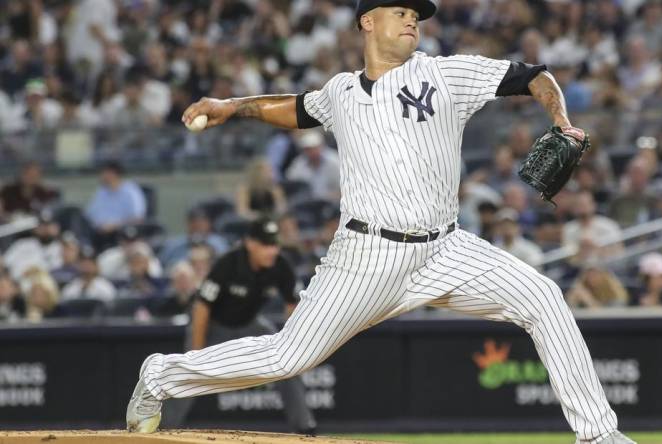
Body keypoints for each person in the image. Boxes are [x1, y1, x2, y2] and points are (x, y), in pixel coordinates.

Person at [127, 2, 634, 443]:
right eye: (401, 13)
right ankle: (161, 375)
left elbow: (534, 75)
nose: (412, 21)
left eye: (416, 16)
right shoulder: (340, 92)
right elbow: (293, 108)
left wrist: (561, 120)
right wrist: (231, 106)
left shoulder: (443, 74)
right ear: (368, 22)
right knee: (287, 358)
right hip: (367, 257)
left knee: (542, 297)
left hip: (446, 250)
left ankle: (598, 434)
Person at [157, 217, 316, 435]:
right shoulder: (229, 264)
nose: (271, 250)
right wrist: (197, 350)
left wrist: (295, 343)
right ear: (250, 243)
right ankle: (162, 429)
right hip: (215, 325)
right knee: (190, 372)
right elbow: (202, 308)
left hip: (249, 323)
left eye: (274, 244)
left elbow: (292, 306)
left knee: (287, 363)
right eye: (265, 244)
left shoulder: (280, 265)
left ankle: (304, 427)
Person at [85, 161, 147, 250]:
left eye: (103, 172)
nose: (101, 176)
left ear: (112, 173)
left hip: (121, 236)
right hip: (98, 235)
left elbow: (138, 219)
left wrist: (114, 226)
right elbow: (89, 215)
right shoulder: (101, 192)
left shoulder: (130, 191)